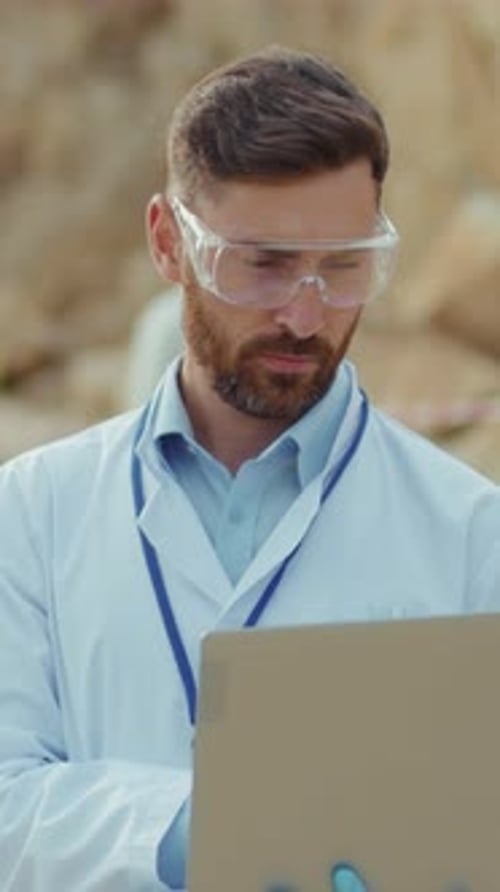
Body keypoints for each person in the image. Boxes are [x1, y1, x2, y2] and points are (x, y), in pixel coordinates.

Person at [0, 45, 499, 892]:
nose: (306, 314)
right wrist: (186, 833)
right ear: (168, 243)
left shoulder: (471, 530)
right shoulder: (30, 513)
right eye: (262, 265)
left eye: (343, 265)